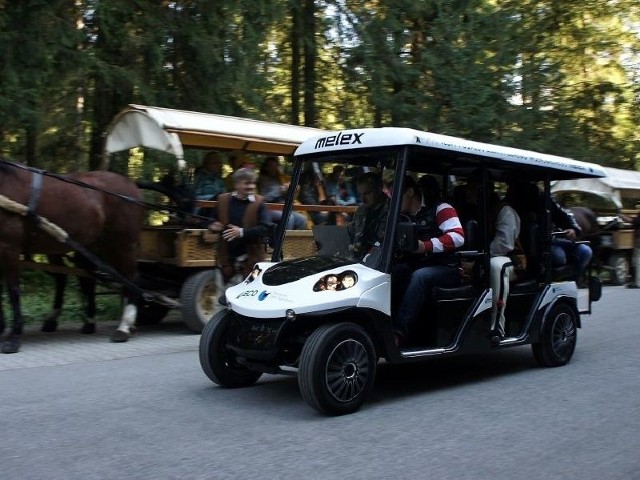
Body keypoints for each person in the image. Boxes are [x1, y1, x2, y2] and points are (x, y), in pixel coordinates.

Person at [393, 175, 465, 345]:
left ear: (410, 192)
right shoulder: (402, 216)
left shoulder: (441, 208)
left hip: (447, 267)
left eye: (398, 195)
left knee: (420, 276)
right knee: (392, 272)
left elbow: (458, 236)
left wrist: (426, 246)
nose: (394, 200)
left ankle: (398, 332)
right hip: (418, 265)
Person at [464, 176, 521, 340]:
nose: (466, 191)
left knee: (496, 266)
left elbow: (503, 245)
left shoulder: (504, 211)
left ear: (483, 191)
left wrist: (476, 260)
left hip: (510, 259)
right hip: (482, 257)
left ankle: (497, 325)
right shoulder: (473, 211)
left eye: (471, 188)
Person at [508, 181, 592, 285]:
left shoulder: (544, 200)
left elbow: (563, 215)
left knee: (585, 251)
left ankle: (572, 282)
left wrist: (572, 228)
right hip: (530, 248)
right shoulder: (510, 205)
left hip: (551, 241)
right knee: (559, 256)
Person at [208, 168, 270, 282]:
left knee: (252, 289)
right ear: (236, 184)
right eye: (247, 183)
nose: (251, 186)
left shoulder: (260, 202)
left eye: (253, 183)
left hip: (255, 262)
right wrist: (212, 224)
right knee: (223, 293)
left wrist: (241, 232)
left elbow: (266, 228)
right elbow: (210, 219)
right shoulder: (222, 200)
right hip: (226, 259)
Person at [346, 171, 391, 260]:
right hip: (357, 258)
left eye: (367, 193)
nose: (363, 198)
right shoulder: (360, 211)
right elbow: (350, 234)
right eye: (360, 194)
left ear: (379, 189)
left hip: (381, 260)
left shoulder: (393, 210)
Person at [258, 156, 306, 230]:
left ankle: (296, 241)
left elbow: (285, 195)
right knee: (289, 218)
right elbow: (265, 197)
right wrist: (280, 190)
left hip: (282, 206)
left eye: (275, 166)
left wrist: (289, 189)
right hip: (269, 208)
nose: (274, 168)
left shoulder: (280, 178)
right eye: (271, 166)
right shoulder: (262, 179)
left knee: (302, 219)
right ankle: (284, 241)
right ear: (266, 168)